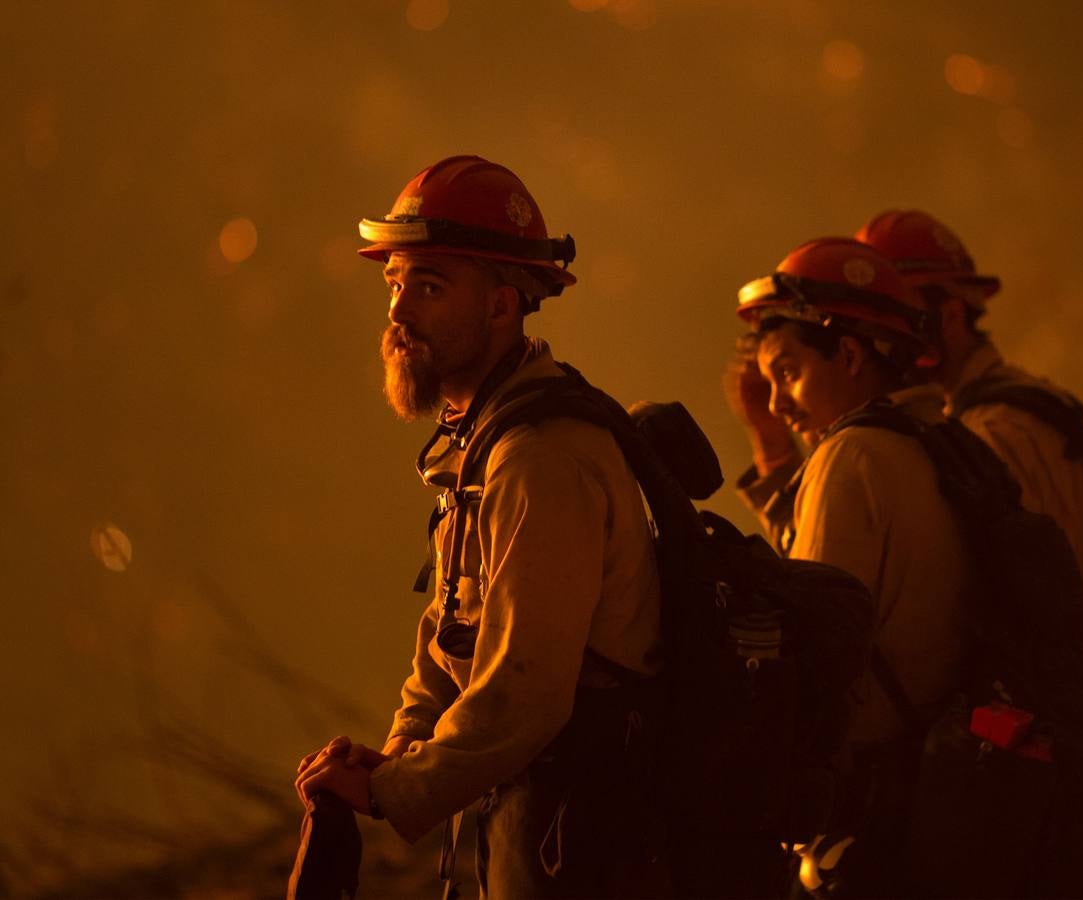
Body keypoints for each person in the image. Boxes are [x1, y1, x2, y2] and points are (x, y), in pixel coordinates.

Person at [294, 155, 664, 898]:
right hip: (537, 819)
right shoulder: (482, 446)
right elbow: (451, 632)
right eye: (396, 284)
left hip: (585, 838)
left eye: (429, 288)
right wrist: (398, 752)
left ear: (502, 306)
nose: (398, 313)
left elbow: (523, 695)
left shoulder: (542, 461)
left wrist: (398, 793)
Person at [734, 237, 971, 897]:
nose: (778, 403)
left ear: (848, 355)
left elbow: (810, 655)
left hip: (879, 805)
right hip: (951, 783)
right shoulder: (942, 444)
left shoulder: (848, 458)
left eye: (787, 372)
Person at [854, 209, 1083, 656]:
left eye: (898, 316)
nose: (882, 338)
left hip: (1072, 697)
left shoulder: (992, 433)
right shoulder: (1025, 400)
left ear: (950, 314)